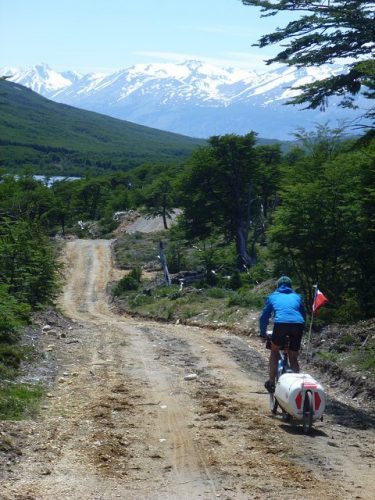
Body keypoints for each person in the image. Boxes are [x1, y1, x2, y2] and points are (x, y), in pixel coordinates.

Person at [259, 276, 305, 393]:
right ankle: (297, 388)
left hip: (281, 324)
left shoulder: (273, 296)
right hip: (298, 325)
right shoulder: (297, 297)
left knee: (274, 351)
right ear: (291, 286)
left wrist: (263, 334)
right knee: (293, 357)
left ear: (277, 286)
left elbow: (264, 317)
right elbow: (304, 315)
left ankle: (271, 382)